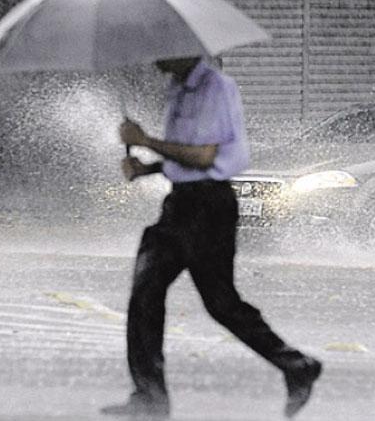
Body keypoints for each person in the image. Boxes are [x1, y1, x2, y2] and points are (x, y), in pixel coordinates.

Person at [101, 56, 322, 419]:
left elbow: (205, 156)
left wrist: (146, 140)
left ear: (185, 49)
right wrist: (148, 168)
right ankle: (149, 397)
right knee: (145, 293)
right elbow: (185, 156)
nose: (155, 57)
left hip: (209, 209)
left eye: (164, 48)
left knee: (222, 304)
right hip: (179, 205)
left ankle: (296, 365)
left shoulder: (217, 89)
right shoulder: (178, 89)